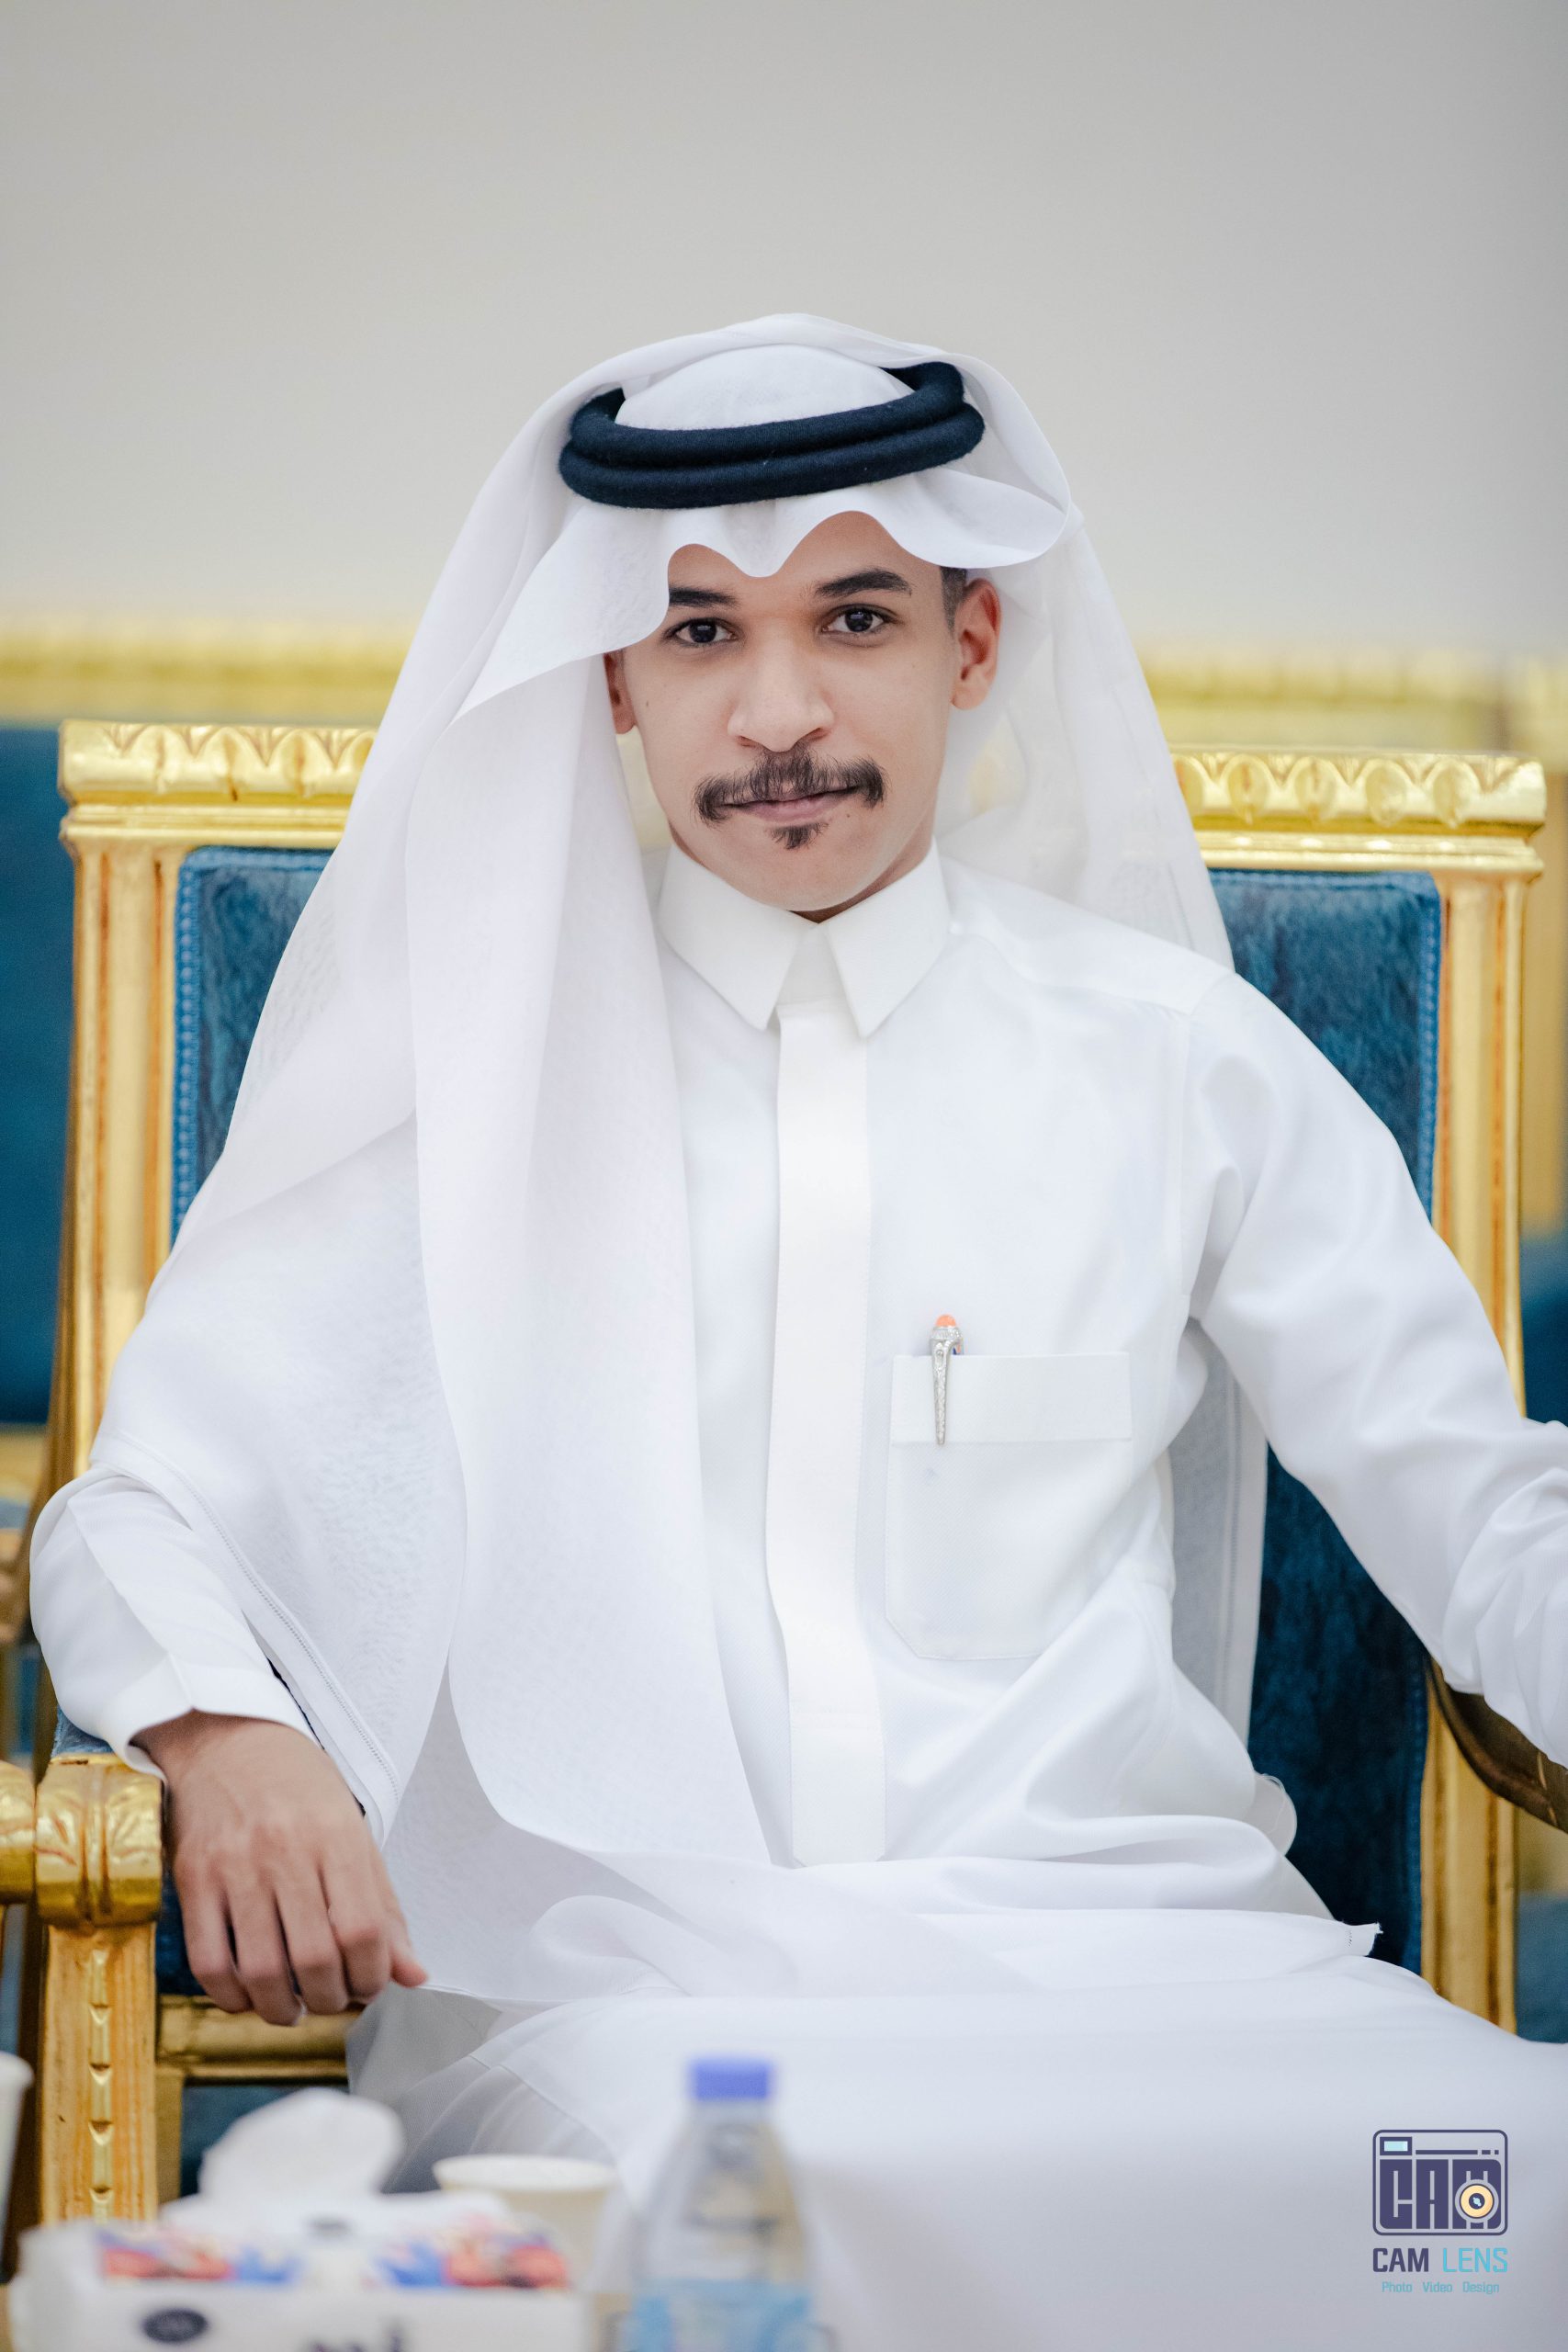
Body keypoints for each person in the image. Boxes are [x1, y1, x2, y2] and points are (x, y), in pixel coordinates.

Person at [29, 317, 1568, 2349]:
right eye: (699, 635)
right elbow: (135, 1509)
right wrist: (230, 1738)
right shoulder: (465, 1085)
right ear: (613, 677)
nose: (778, 715)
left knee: (1507, 2186)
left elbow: (1484, 1507)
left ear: (971, 641)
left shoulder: (1179, 1061)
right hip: (642, 2001)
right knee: (716, 2216)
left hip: (1163, 1977)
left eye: (852, 617)